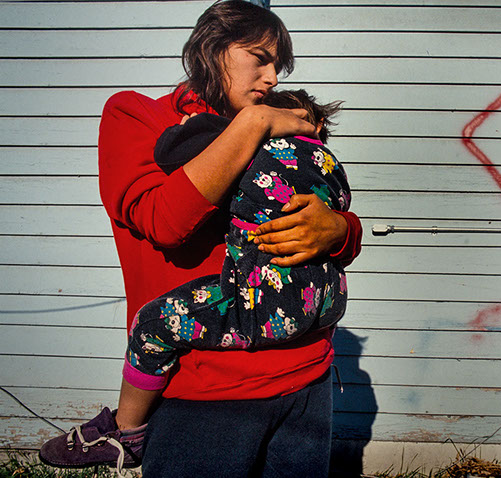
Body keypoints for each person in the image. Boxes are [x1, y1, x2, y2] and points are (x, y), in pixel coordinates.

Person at [38, 2, 362, 477]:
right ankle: (126, 434)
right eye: (260, 58)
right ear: (215, 49)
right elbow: (165, 222)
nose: (272, 77)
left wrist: (340, 230)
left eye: (279, 66)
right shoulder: (138, 116)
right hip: (209, 394)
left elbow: (330, 221)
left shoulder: (279, 130)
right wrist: (252, 126)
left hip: (307, 376)